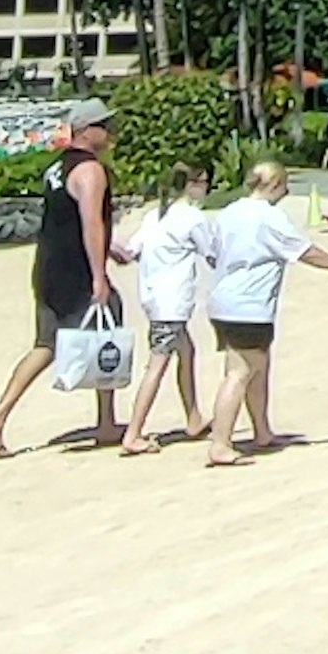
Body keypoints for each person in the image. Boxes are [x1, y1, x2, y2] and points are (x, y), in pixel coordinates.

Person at [0, 117, 123, 456]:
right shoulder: (90, 171)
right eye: (104, 126)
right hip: (77, 272)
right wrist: (99, 274)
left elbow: (63, 217)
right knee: (108, 335)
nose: (110, 132)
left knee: (45, 345)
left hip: (47, 268)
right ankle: (106, 422)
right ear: (87, 130)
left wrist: (111, 247)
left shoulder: (56, 169)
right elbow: (90, 222)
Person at [200, 164, 328, 462]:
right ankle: (220, 442)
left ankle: (262, 431)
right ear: (274, 184)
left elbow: (211, 252)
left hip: (225, 300)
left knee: (257, 368)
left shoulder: (230, 212)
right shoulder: (269, 218)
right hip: (249, 306)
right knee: (240, 372)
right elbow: (303, 250)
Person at [121, 165, 217, 450]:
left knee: (186, 351)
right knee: (158, 363)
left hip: (152, 296)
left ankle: (194, 417)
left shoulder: (156, 215)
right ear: (195, 185)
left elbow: (130, 251)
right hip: (171, 302)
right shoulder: (192, 218)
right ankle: (133, 433)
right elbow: (211, 253)